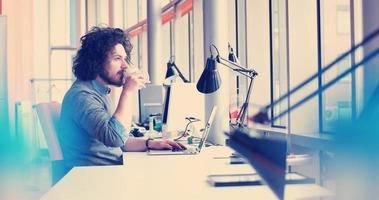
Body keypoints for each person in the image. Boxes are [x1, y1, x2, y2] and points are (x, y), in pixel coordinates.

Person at [59, 26, 185, 168]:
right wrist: (128, 91)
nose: (125, 66)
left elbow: (121, 138)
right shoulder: (81, 96)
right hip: (95, 178)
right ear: (96, 61)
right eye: (117, 58)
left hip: (108, 171)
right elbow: (115, 138)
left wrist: (150, 143)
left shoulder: (100, 92)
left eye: (125, 59)